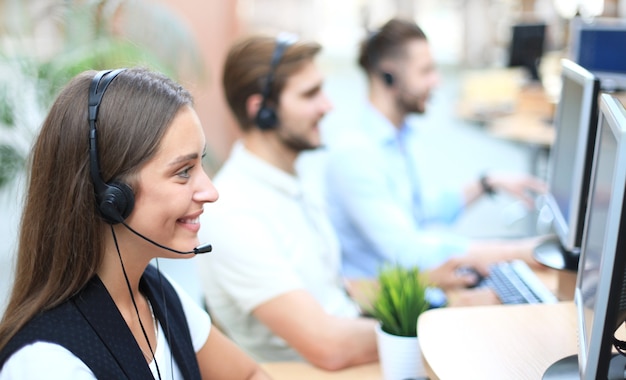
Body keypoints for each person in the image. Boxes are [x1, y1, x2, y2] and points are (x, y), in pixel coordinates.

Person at [0, 67, 269, 379]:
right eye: (184, 171)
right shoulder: (46, 363)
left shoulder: (156, 295)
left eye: (201, 164)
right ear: (111, 197)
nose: (210, 191)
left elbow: (249, 375)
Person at [196, 34, 378, 370]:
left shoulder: (294, 178)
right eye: (310, 94)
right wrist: (430, 325)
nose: (327, 106)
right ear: (261, 110)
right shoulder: (233, 212)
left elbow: (332, 292)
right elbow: (330, 346)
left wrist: (434, 297)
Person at [324, 17, 548, 286]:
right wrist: (512, 252)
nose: (436, 81)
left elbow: (420, 211)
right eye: (426, 71)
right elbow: (409, 253)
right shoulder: (356, 154)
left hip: (417, 282)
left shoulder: (399, 137)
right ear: (388, 75)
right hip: (390, 305)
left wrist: (486, 182)